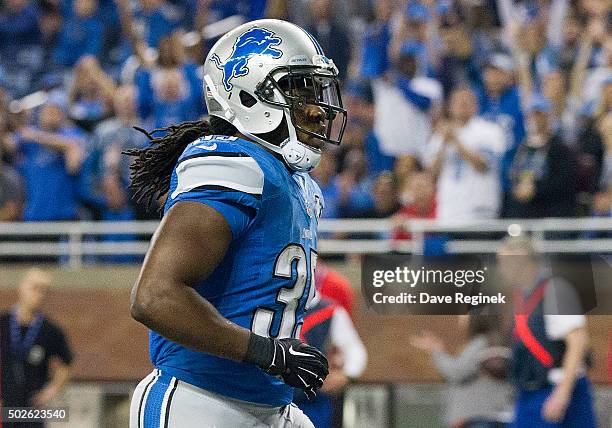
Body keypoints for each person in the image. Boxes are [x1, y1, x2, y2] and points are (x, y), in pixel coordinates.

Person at [127, 19, 347, 427]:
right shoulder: (233, 163)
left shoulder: (299, 185)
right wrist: (271, 354)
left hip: (271, 408)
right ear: (249, 95)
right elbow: (155, 296)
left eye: (317, 91)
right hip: (201, 403)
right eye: (299, 91)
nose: (318, 108)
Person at [497, 235, 597, 428]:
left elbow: (577, 341)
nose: (501, 269)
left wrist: (562, 393)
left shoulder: (556, 290)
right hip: (531, 390)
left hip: (557, 389)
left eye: (506, 262)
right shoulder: (522, 297)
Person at [0, 269, 73, 428]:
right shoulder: (3, 323)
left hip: (33, 409)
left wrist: (51, 390)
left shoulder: (50, 330)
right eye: (35, 288)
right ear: (22, 287)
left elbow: (67, 363)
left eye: (44, 290)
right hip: (5, 405)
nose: (39, 294)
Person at [411, 315, 513, 428]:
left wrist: (437, 350)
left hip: (479, 419)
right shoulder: (498, 340)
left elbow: (457, 372)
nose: (461, 317)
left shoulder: (482, 342)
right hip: (493, 416)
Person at [425, 87, 505, 222]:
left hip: (479, 208)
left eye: (466, 102)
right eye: (458, 102)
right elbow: (431, 174)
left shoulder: (489, 131)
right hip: (449, 208)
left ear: (476, 106)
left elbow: (483, 165)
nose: (462, 105)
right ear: (450, 107)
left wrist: (455, 141)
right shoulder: (440, 135)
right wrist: (444, 144)